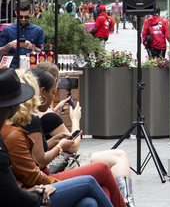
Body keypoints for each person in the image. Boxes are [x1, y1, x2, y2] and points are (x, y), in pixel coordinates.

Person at [2, 69, 127, 207]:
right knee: (94, 178)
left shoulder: (15, 128)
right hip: (35, 189)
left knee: (89, 202)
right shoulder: (16, 131)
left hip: (35, 185)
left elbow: (31, 158)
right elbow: (39, 164)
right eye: (52, 92)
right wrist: (72, 125)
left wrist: (56, 141)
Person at [30, 63, 138, 206]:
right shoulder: (32, 120)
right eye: (53, 92)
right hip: (56, 167)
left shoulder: (32, 117)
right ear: (45, 89)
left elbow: (36, 149)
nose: (53, 95)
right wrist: (75, 120)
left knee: (94, 198)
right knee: (108, 165)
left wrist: (56, 138)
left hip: (48, 170)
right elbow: (70, 148)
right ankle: (127, 203)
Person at [0, 0, 45, 68]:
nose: (23, 19)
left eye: (26, 17)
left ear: (30, 13)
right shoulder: (7, 30)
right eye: (20, 17)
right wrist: (9, 45)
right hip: (12, 69)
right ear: (16, 13)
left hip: (31, 68)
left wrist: (32, 47)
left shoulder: (38, 31)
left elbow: (43, 54)